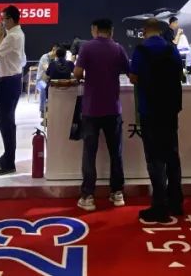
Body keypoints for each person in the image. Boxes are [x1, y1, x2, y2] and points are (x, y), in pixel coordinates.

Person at [129, 18, 184, 223]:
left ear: (144, 31)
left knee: (154, 158)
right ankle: (176, 202)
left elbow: (133, 77)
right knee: (172, 154)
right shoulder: (171, 48)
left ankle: (159, 206)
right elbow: (179, 73)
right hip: (170, 109)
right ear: (160, 31)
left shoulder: (141, 50)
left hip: (150, 109)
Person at [74, 18, 131, 211]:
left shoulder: (87, 48)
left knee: (89, 153)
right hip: (113, 109)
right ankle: (117, 193)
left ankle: (88, 195)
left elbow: (77, 73)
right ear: (111, 31)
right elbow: (131, 74)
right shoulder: (118, 48)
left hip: (91, 109)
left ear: (95, 29)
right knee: (116, 152)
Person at [0, 6, 26, 175]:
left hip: (7, 81)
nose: (2, 22)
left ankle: (9, 162)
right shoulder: (17, 33)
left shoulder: (12, 36)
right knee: (7, 121)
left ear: (10, 19)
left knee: (6, 122)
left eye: (3, 19)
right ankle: (7, 156)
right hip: (12, 80)